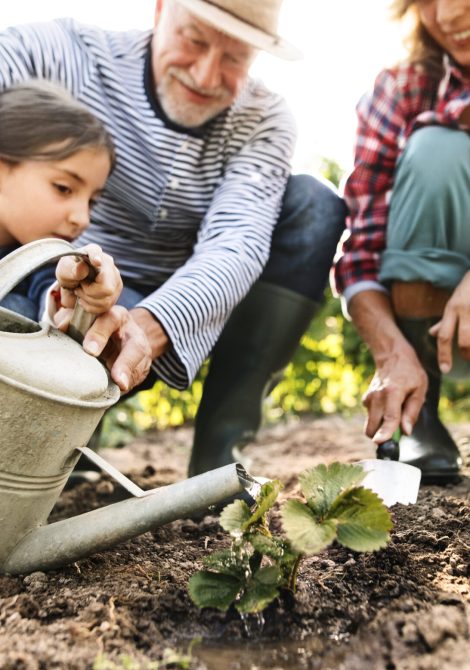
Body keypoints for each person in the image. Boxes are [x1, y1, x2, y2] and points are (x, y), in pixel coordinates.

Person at [0, 0, 346, 477]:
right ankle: (63, 416)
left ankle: (220, 456)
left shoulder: (264, 119)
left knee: (314, 204)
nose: (206, 75)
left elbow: (236, 244)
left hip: (166, 308)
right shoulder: (67, 55)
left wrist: (140, 332)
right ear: (161, 10)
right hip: (56, 293)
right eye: (195, 40)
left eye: (234, 57)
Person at [334, 0, 470, 484]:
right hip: (447, 330)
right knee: (437, 150)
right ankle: (421, 406)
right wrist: (393, 354)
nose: (449, 15)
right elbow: (361, 252)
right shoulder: (401, 86)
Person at [0, 81, 152, 393]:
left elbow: (49, 298)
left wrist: (73, 294)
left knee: (24, 318)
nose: (82, 218)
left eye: (91, 201)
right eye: (64, 188)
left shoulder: (38, 260)